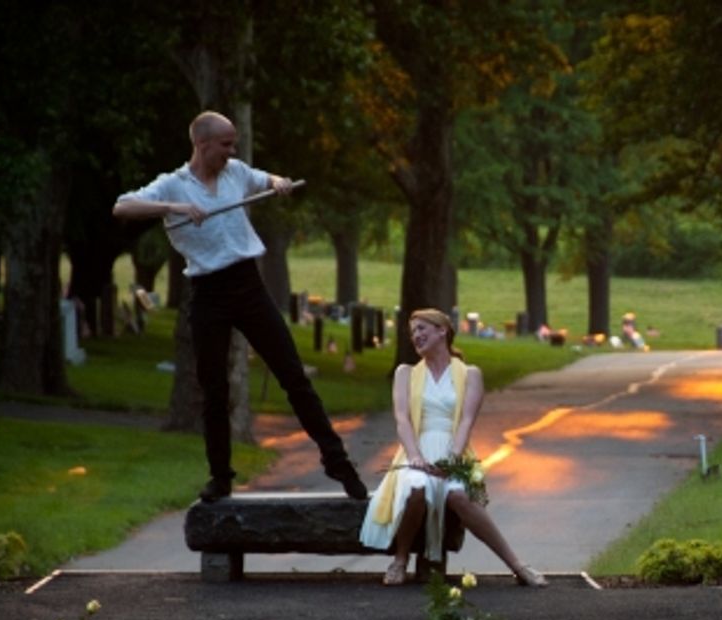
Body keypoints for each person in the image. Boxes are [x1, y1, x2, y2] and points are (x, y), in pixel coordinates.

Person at [113, 111, 367, 502]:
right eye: (226, 144)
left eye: (234, 144)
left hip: (248, 286)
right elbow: (122, 207)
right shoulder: (173, 184)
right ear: (202, 144)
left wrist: (279, 183)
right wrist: (175, 208)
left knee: (293, 377)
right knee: (214, 391)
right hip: (207, 293)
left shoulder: (236, 172)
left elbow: (267, 179)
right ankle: (221, 478)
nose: (232, 151)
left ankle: (337, 462)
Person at [360, 309, 546, 587]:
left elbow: (466, 421)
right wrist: (415, 456)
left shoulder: (470, 375)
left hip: (454, 451)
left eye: (422, 329)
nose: (416, 336)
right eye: (413, 332)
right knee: (416, 487)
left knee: (459, 495)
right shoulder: (405, 373)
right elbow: (402, 419)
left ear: (442, 331)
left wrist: (452, 460)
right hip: (417, 450)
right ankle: (400, 560)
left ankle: (517, 565)